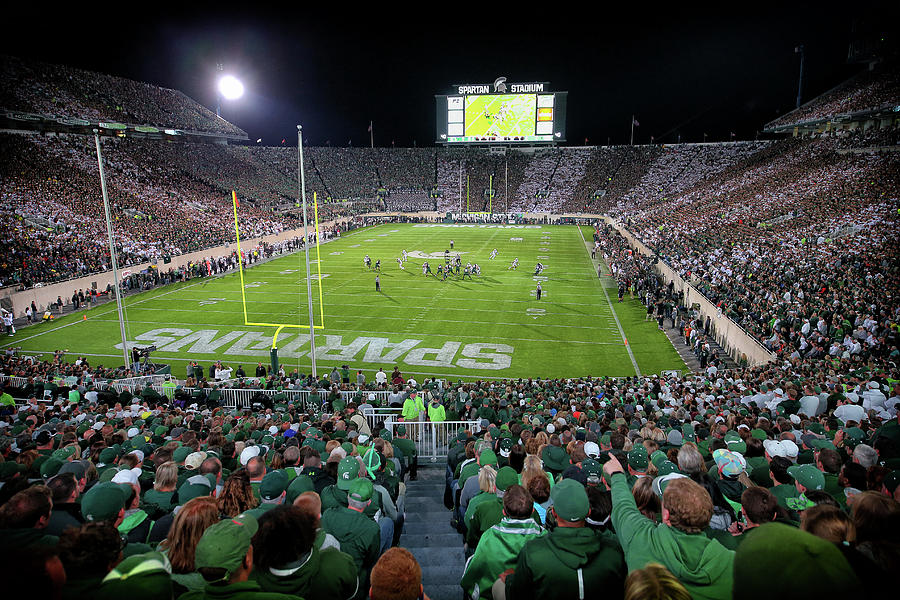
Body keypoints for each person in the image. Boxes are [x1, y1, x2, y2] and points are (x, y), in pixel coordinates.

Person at [604, 454, 734, 600]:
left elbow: (623, 508)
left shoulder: (641, 538)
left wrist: (617, 475)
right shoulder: (732, 562)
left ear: (665, 515)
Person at [501, 479, 626, 600]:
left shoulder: (532, 552)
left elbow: (517, 594)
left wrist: (510, 580)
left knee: (498, 586)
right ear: (588, 512)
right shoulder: (614, 550)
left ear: (554, 513)